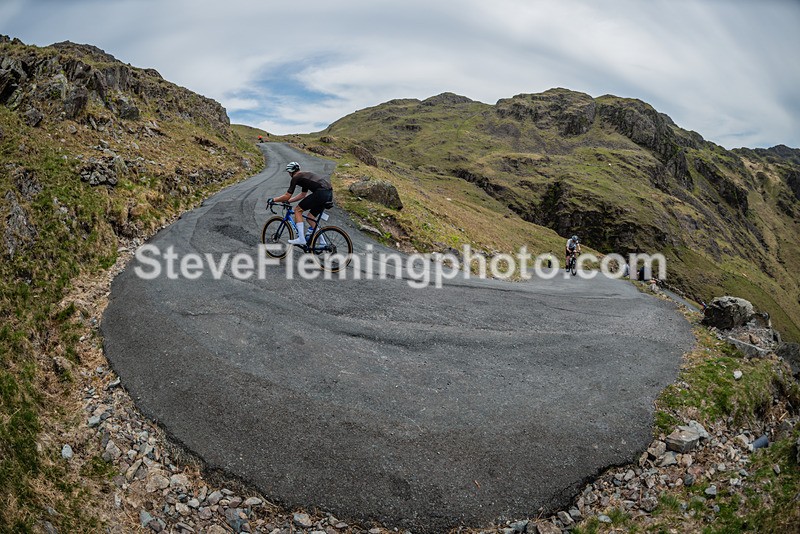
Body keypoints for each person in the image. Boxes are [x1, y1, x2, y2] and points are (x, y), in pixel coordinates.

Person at [267, 162, 333, 245]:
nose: (289, 174)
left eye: (288, 172)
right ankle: (323, 242)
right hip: (328, 194)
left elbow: (287, 195)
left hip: (321, 193)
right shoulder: (304, 176)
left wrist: (273, 199)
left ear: (291, 172)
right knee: (310, 218)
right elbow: (303, 195)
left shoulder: (296, 177)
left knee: (297, 210)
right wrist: (288, 201)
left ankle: (301, 239)